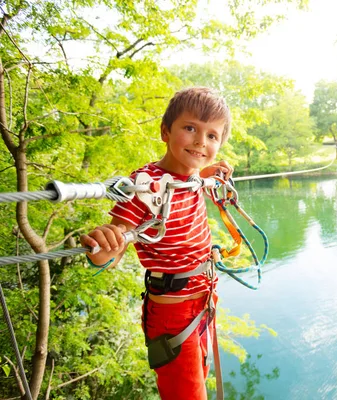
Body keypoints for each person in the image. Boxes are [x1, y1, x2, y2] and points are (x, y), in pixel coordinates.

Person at [80, 87, 234, 400]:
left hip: (202, 302)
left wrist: (207, 174)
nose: (200, 142)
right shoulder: (145, 187)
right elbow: (114, 248)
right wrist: (104, 250)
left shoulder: (192, 179)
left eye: (212, 136)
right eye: (190, 128)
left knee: (198, 379)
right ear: (165, 131)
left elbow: (187, 180)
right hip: (173, 313)